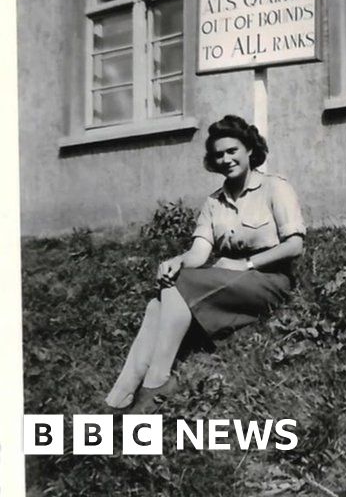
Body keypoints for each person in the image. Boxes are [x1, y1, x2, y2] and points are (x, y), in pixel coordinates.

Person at [105, 115, 306, 413]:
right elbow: (199, 253)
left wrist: (247, 264)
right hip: (229, 278)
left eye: (232, 151)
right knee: (157, 303)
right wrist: (178, 260)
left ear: (250, 149)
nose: (226, 160)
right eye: (219, 155)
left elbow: (295, 245)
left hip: (268, 280)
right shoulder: (213, 202)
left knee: (179, 286)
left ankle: (157, 381)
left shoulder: (275, 187)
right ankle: (120, 396)